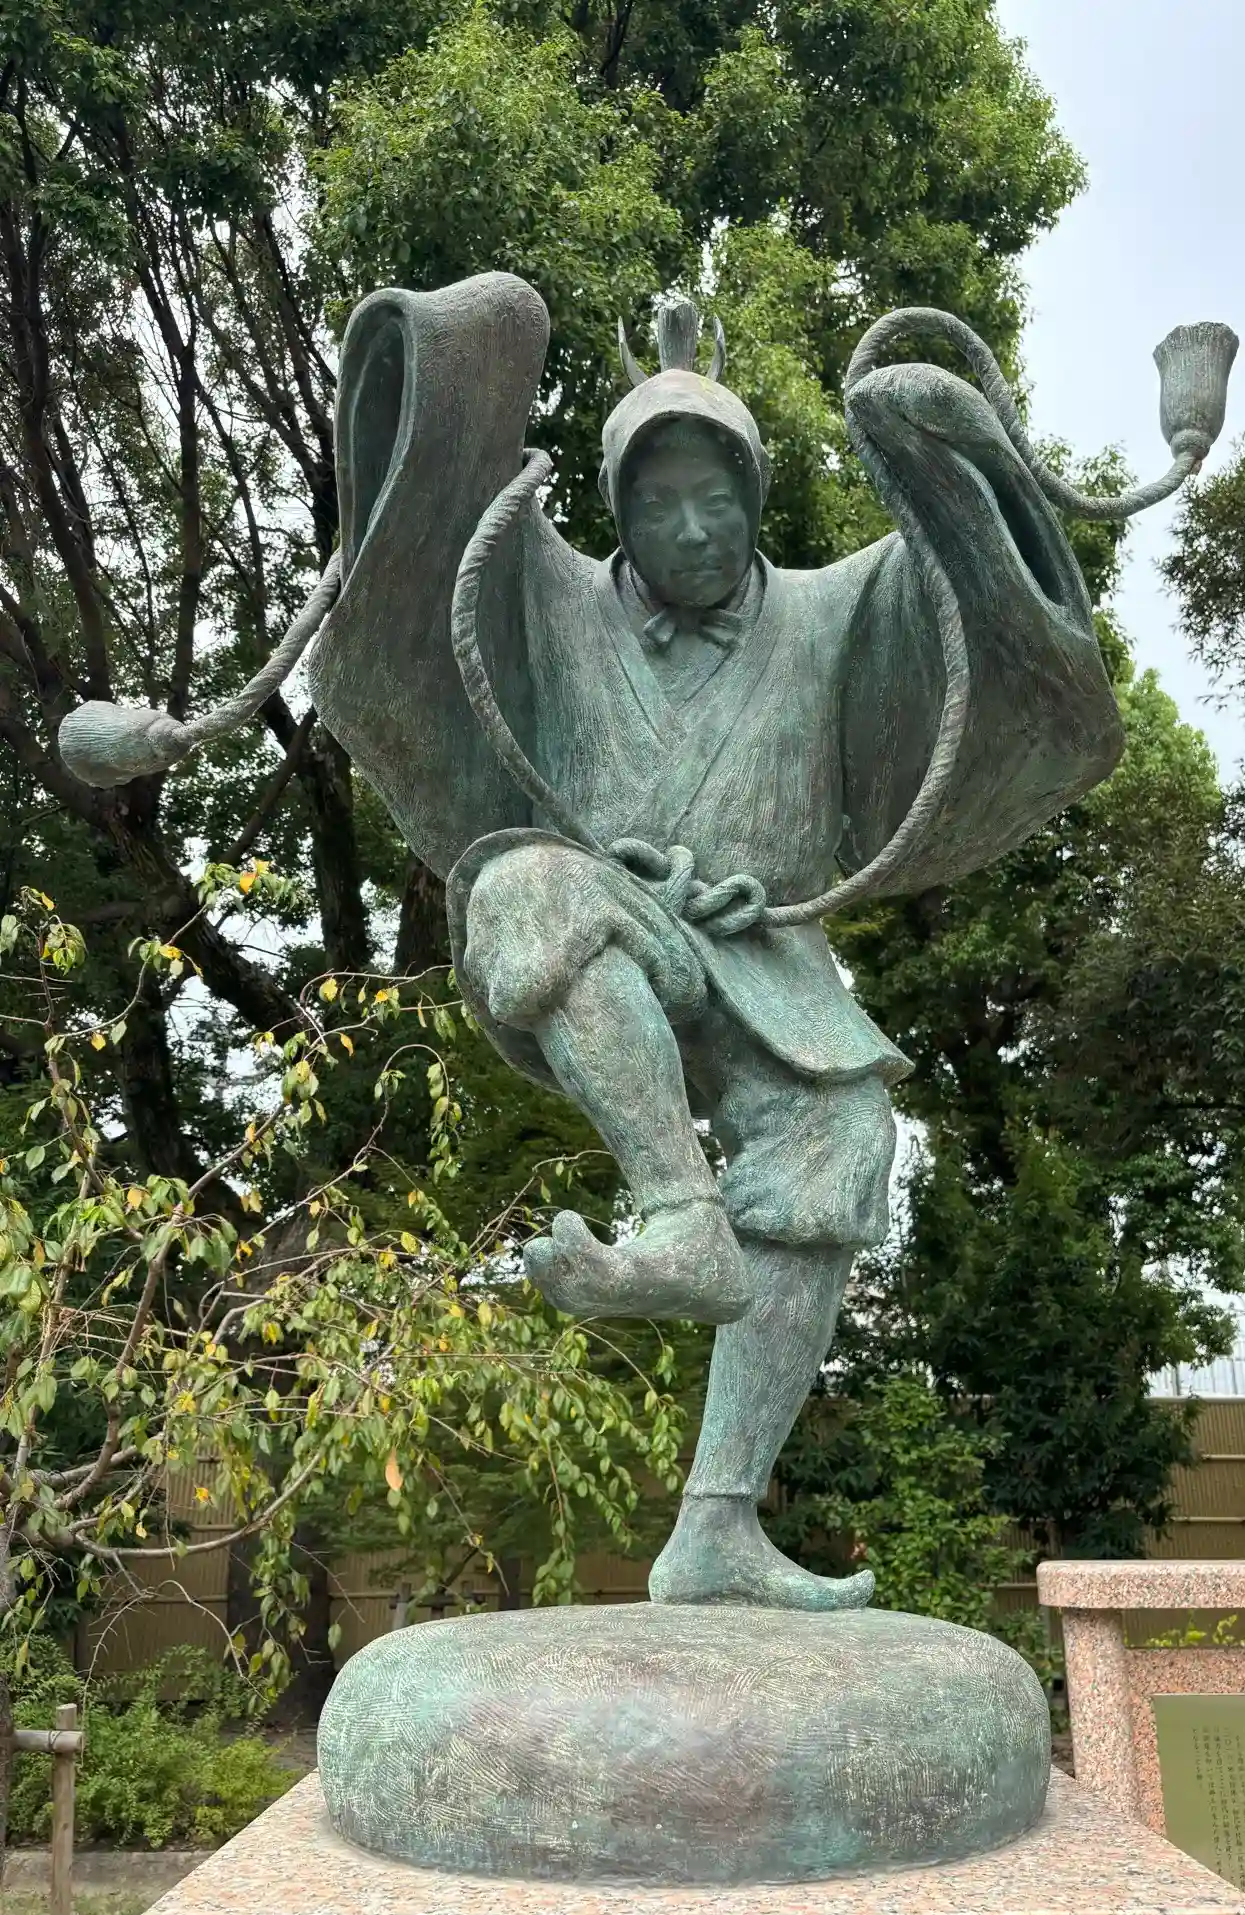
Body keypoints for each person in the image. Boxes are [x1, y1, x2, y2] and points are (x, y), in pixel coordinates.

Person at [307, 274, 1124, 1608]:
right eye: (657, 503)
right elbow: (426, 515)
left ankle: (718, 1521)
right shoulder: (536, 585)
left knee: (842, 1134)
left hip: (764, 959)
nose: (690, 528)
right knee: (521, 888)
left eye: (716, 499)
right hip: (602, 914)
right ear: (617, 509)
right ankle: (681, 1219)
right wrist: (457, 379)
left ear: (754, 496)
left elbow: (964, 589)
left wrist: (928, 443)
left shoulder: (839, 608)